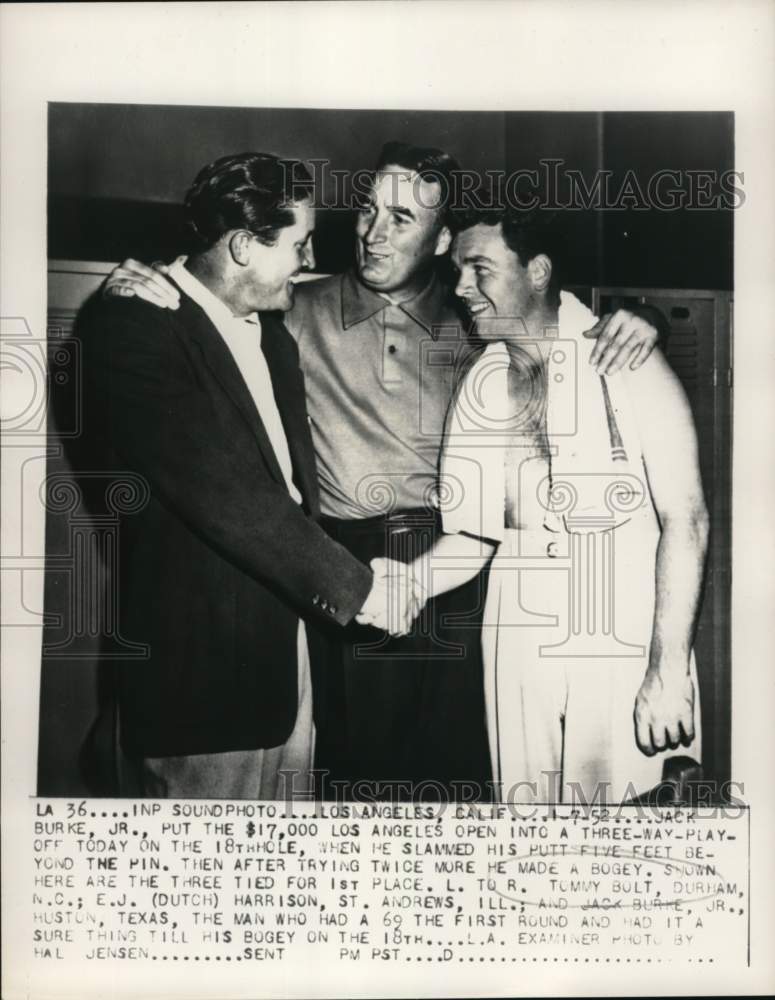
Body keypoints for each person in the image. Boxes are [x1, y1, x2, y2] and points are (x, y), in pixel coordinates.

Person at [103, 142, 662, 801]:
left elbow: (559, 320)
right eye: (367, 210)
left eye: (401, 218)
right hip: (339, 566)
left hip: (454, 565)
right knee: (348, 781)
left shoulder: (478, 318)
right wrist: (145, 279)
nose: (370, 232)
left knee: (461, 784)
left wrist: (641, 316)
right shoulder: (291, 310)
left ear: (442, 239)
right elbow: (213, 308)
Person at [78, 152, 401, 800]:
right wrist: (358, 589)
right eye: (299, 244)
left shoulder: (273, 332)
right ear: (244, 246)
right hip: (200, 682)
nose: (308, 262)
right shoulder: (133, 327)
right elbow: (225, 490)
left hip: (286, 670)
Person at [385, 207, 709, 805]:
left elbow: (685, 521)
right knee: (525, 811)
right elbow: (474, 538)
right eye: (456, 270)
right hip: (518, 621)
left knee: (627, 819)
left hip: (622, 618)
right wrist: (406, 583)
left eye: (478, 267)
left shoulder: (627, 359)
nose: (460, 287)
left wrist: (667, 671)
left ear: (537, 271)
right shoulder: (481, 385)